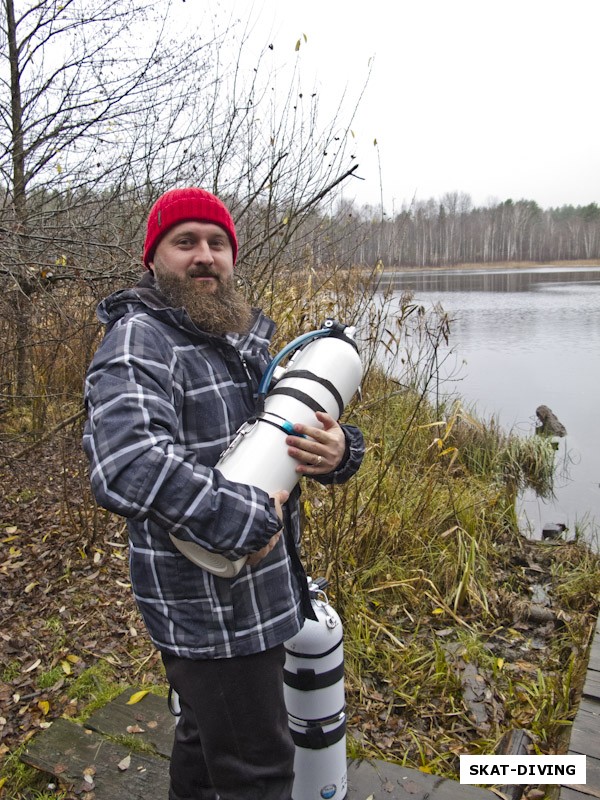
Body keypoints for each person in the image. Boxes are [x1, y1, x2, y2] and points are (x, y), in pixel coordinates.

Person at [82, 187, 364, 800]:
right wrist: (243, 520)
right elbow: (124, 461)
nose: (205, 256)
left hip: (259, 596)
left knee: (205, 744)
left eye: (216, 243)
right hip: (208, 610)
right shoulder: (141, 341)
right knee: (257, 769)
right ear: (153, 258)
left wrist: (342, 451)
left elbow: (290, 434)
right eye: (185, 242)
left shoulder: (239, 340)